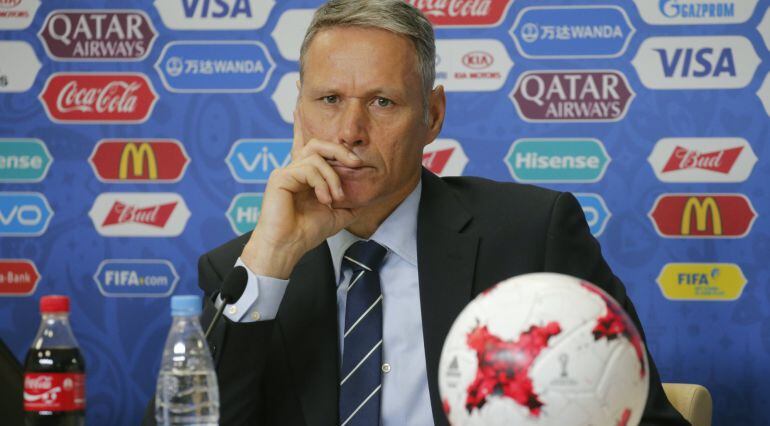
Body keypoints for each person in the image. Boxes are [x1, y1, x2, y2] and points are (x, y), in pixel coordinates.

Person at [147, 0, 689, 424]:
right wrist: (268, 260)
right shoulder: (241, 271)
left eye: (382, 102)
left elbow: (644, 417)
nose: (350, 132)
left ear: (432, 115)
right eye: (329, 99)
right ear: (298, 111)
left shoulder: (531, 236)